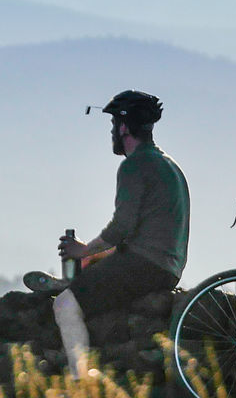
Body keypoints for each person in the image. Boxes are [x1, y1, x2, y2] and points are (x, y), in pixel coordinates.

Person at [26, 91, 189, 377]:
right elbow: (141, 233)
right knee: (89, 274)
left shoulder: (134, 165)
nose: (112, 131)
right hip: (168, 266)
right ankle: (75, 283)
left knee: (65, 306)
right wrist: (96, 257)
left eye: (113, 124)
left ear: (124, 127)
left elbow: (121, 228)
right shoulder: (169, 165)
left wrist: (82, 250)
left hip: (144, 265)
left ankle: (79, 386)